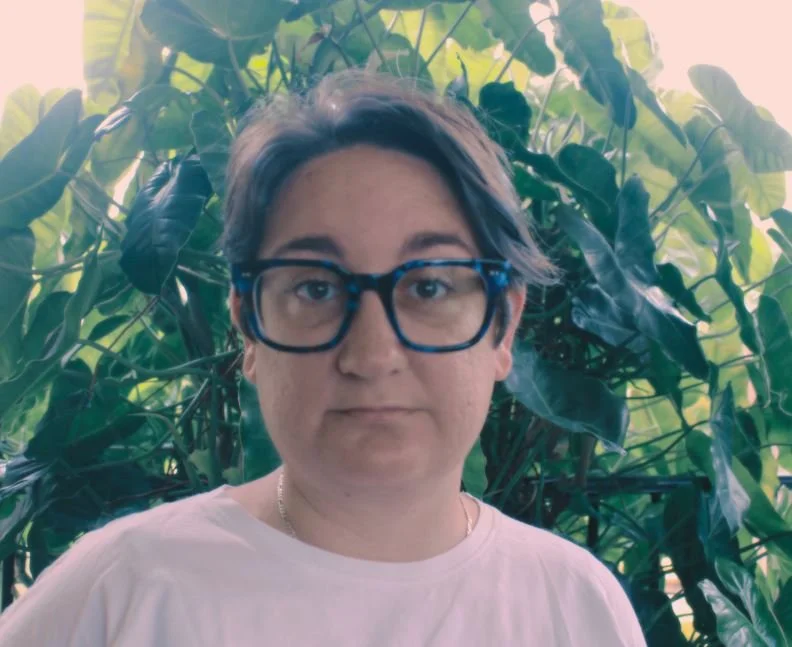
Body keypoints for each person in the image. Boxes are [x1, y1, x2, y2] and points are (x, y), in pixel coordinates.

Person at [0, 69, 647, 646]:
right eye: (315, 287)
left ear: (502, 326)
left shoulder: (573, 606)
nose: (371, 354)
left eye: (429, 286)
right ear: (249, 329)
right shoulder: (122, 594)